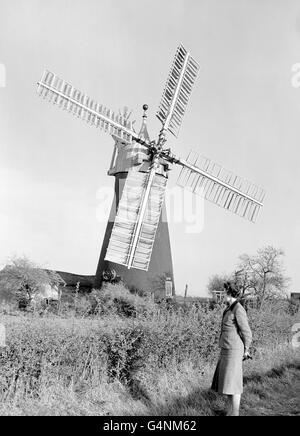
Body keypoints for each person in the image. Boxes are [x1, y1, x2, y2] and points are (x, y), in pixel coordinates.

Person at [211, 281, 252, 416]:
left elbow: (246, 331)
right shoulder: (229, 309)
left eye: (224, 292)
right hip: (226, 350)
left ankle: (235, 413)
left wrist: (246, 349)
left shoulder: (238, 309)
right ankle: (230, 412)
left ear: (229, 293)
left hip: (234, 351)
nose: (222, 295)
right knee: (228, 384)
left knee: (234, 384)